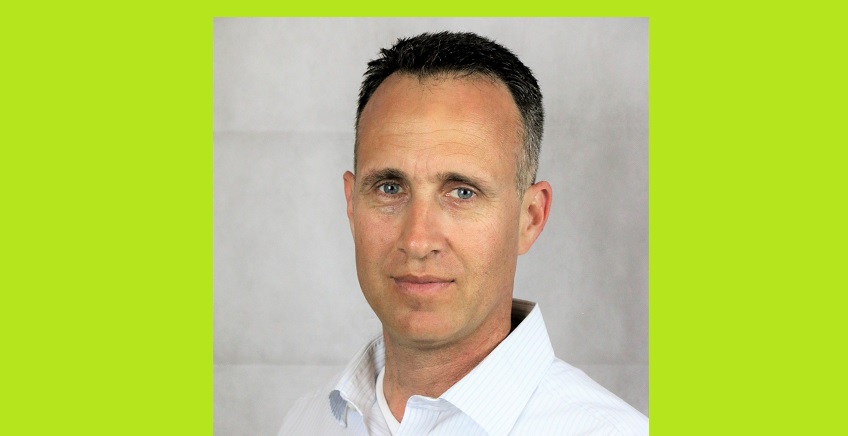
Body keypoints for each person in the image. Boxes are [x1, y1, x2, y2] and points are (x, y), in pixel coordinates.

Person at [278, 31, 648, 435]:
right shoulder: (306, 422)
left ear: (530, 218)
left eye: (462, 192)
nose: (417, 241)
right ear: (352, 206)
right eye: (390, 188)